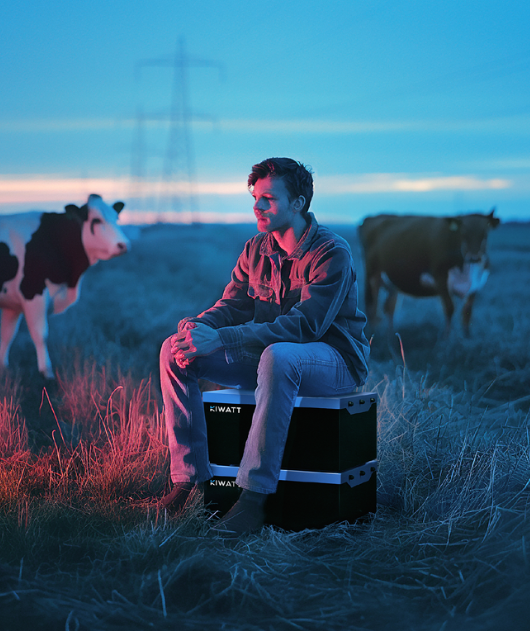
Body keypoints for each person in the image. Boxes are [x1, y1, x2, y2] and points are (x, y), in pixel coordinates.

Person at [156, 157, 370, 535]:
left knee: (279, 355)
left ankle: (252, 500)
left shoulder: (331, 252)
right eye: (255, 197)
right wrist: (201, 327)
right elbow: (233, 305)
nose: (257, 206)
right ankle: (186, 480)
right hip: (273, 359)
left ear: (298, 203)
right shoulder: (255, 249)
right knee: (173, 349)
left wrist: (222, 338)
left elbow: (306, 325)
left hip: (334, 360)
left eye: (268, 198)